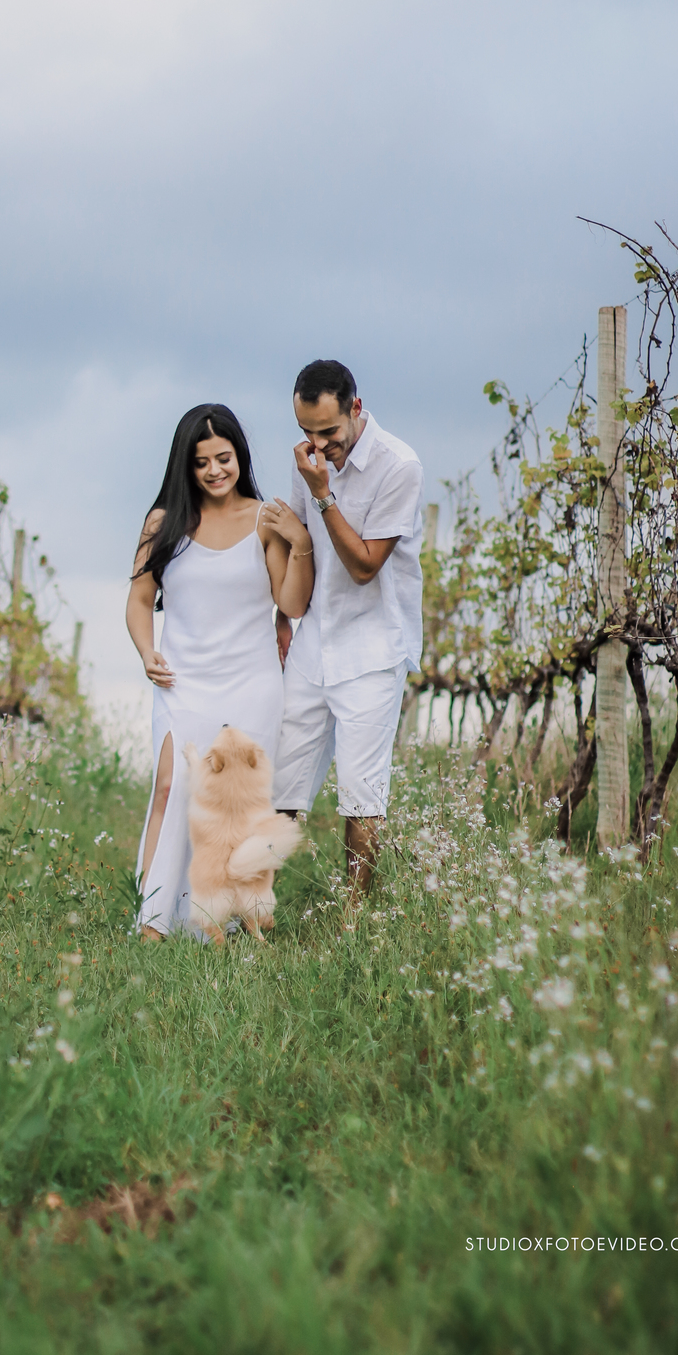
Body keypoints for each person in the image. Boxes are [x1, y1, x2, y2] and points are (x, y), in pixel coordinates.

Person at [126, 404, 314, 940]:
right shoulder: (162, 523)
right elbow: (139, 600)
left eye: (223, 458)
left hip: (252, 683)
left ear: (239, 457)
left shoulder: (263, 520)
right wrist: (146, 651)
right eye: (201, 461)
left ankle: (229, 924)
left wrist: (300, 544)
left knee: (241, 804)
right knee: (170, 787)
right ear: (185, 466)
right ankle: (152, 923)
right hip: (181, 682)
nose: (214, 471)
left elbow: (292, 604)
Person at [272, 359, 423, 908]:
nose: (318, 445)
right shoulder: (308, 460)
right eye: (306, 432)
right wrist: (281, 618)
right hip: (315, 637)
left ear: (355, 408)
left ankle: (353, 923)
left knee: (361, 796)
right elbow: (296, 541)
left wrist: (323, 494)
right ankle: (248, 912)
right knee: (282, 782)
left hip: (374, 646)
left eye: (329, 432)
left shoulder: (399, 466)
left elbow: (363, 567)